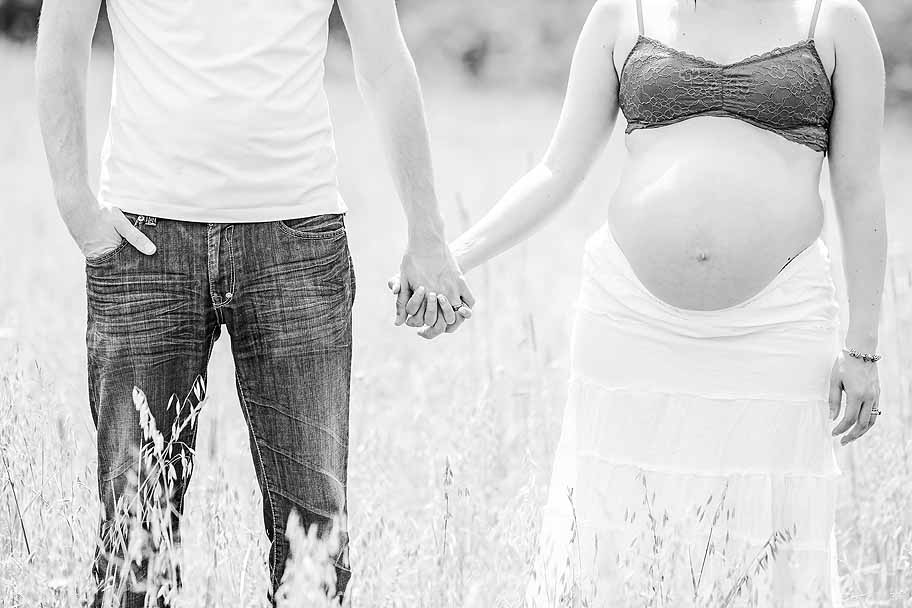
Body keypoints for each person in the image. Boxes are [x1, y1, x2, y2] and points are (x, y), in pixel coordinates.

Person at [397, 0, 886, 603]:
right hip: (630, 321)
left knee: (764, 534)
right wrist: (451, 258)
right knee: (617, 526)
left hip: (778, 324)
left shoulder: (833, 19)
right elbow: (556, 170)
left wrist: (863, 349)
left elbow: (860, 190)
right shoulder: (623, 14)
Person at [34, 0, 474, 605]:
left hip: (297, 240)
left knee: (314, 540)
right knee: (136, 535)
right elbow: (63, 34)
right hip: (145, 243)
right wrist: (75, 204)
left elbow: (385, 63)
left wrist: (427, 234)